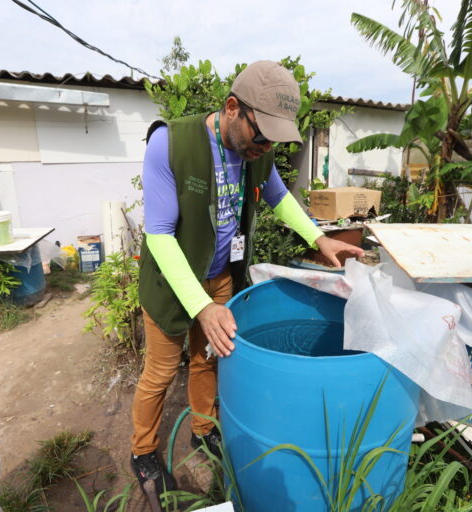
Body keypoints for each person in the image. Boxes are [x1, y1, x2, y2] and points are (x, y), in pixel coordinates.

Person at [130, 60, 364, 503]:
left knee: (208, 361)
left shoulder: (258, 149)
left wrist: (320, 238)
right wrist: (200, 306)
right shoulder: (170, 145)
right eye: (261, 136)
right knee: (159, 374)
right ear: (233, 108)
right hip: (171, 283)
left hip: (219, 278)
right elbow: (159, 236)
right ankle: (143, 452)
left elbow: (278, 196)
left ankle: (203, 430)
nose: (264, 148)